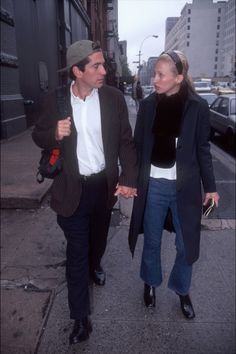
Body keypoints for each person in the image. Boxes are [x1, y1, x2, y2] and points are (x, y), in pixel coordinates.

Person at [32, 40, 137, 344]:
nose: (104, 70)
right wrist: (54, 133)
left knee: (97, 241)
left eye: (104, 64)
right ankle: (80, 318)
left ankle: (96, 263)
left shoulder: (114, 99)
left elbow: (126, 143)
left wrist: (129, 177)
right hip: (71, 189)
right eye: (96, 66)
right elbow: (39, 135)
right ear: (78, 71)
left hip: (103, 188)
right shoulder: (56, 101)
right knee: (76, 252)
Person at [128, 50, 219, 319]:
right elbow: (138, 146)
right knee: (152, 240)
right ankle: (150, 282)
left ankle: (181, 288)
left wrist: (211, 188)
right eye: (154, 73)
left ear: (178, 77)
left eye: (160, 75)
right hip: (153, 183)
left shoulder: (198, 106)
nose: (153, 79)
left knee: (185, 244)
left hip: (185, 188)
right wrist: (130, 180)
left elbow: (203, 149)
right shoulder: (147, 106)